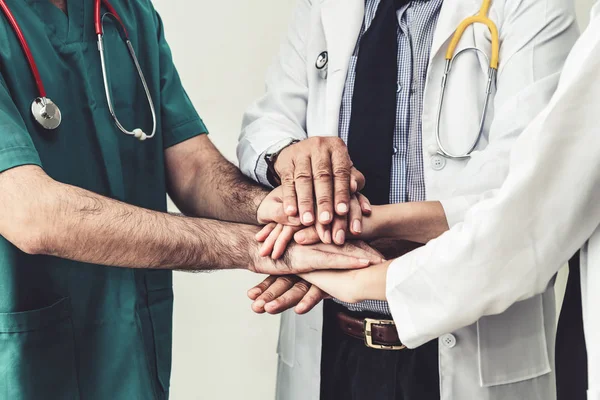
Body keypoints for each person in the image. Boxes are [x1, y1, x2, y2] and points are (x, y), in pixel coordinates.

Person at [0, 1, 384, 399]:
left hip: (130, 363)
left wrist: (283, 209)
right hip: (28, 367)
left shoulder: (126, 12)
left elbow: (194, 169)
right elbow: (31, 213)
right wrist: (252, 248)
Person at [237, 0, 578, 399]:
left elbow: (529, 187)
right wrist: (288, 155)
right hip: (331, 342)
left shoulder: (531, 6)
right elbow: (266, 122)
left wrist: (343, 234)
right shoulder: (323, 6)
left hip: (467, 341)